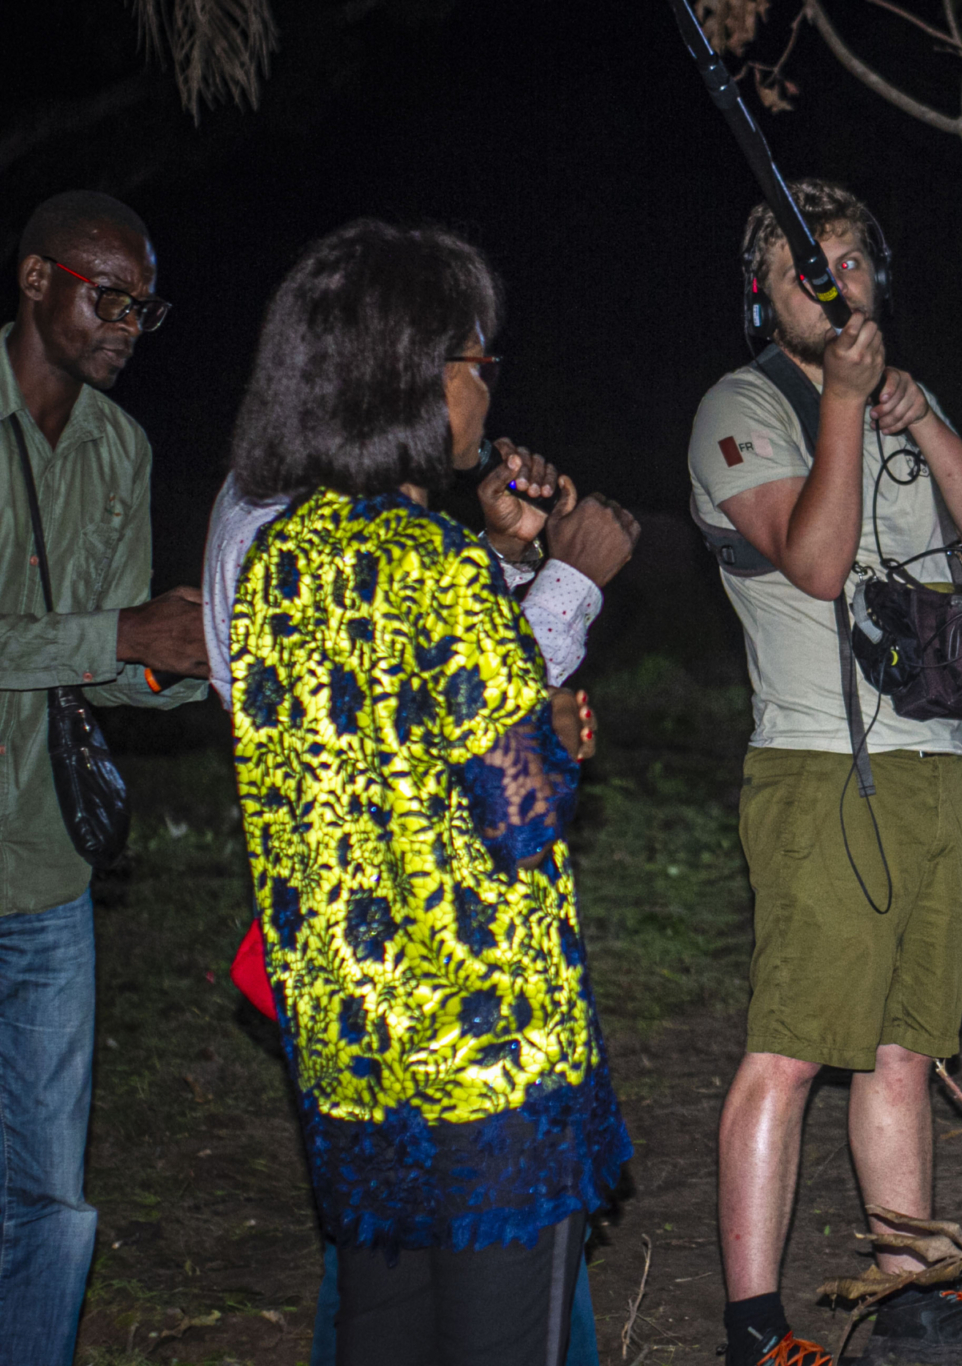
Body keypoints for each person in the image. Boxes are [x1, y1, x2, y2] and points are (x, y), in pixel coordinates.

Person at [225, 218, 637, 1366]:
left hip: (359, 1056)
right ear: (406, 374)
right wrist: (549, 739)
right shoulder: (436, 567)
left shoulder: (281, 561)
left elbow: (353, 770)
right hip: (486, 1055)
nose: (485, 386)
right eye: (475, 361)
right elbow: (517, 809)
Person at [687, 180, 962, 1366]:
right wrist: (843, 404)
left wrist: (921, 418)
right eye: (803, 261)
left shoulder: (902, 396)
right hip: (815, 767)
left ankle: (913, 1297)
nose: (829, 277)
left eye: (847, 257)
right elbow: (817, 559)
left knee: (905, 1047)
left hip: (931, 761)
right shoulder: (737, 407)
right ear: (764, 289)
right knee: (790, 1045)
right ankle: (754, 1328)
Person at [0, 189, 211, 1363]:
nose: (130, 322)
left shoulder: (119, 450)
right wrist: (119, 636)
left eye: (145, 304)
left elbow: (104, 667)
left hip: (43, 872)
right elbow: (91, 634)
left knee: (51, 1202)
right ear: (36, 281)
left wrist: (203, 664)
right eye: (107, 295)